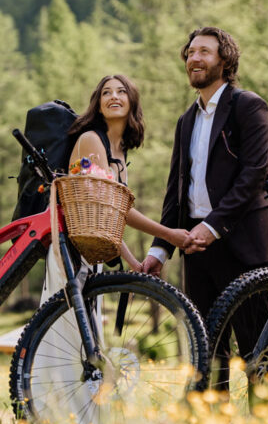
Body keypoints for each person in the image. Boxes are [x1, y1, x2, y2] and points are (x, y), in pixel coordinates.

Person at [142, 27, 268, 369]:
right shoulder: (186, 120)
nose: (194, 59)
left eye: (204, 51)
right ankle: (210, 421)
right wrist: (160, 249)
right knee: (205, 347)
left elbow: (255, 175)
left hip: (244, 242)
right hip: (197, 248)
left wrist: (213, 226)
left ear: (225, 59)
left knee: (257, 345)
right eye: (190, 53)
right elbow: (176, 190)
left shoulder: (248, 106)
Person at [41, 73, 190, 305]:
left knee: (86, 332)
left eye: (121, 91)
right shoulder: (91, 140)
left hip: (90, 252)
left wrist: (134, 264)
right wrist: (169, 234)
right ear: (99, 106)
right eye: (106, 92)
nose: (114, 96)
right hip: (71, 251)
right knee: (67, 329)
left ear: (132, 102)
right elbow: (118, 211)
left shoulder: (119, 152)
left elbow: (110, 218)